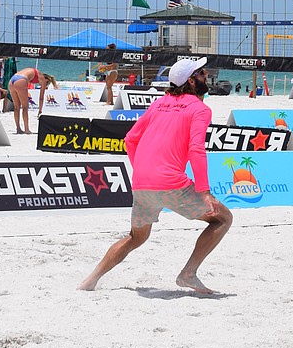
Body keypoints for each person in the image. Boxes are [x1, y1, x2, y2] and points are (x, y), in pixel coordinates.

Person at [78, 58, 232, 295]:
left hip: (142, 183)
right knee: (223, 219)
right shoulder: (200, 109)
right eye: (201, 72)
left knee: (135, 238)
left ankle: (90, 280)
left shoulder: (159, 103)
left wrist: (141, 169)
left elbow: (130, 139)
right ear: (191, 81)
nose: (206, 74)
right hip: (171, 183)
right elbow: (196, 149)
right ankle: (188, 274)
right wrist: (204, 191)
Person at [7, 67, 59, 134]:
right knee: (25, 107)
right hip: (21, 80)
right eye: (47, 84)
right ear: (47, 80)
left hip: (12, 79)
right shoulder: (43, 79)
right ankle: (26, 129)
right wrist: (40, 110)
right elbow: (41, 97)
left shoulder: (37, 74)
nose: (44, 85)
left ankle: (18, 129)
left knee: (16, 107)